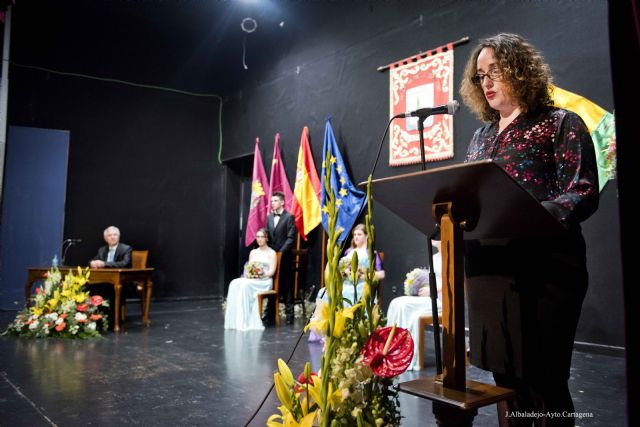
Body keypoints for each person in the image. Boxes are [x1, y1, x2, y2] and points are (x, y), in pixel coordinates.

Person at [459, 33, 599, 426]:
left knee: (545, 383)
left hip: (546, 272)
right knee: (505, 381)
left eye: (495, 72)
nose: (485, 82)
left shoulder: (559, 122)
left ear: (520, 71)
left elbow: (582, 191)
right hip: (489, 272)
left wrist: (530, 215)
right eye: (479, 76)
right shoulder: (480, 136)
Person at [224, 228, 278, 331]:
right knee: (234, 283)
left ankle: (246, 321)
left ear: (267, 238)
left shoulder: (272, 253)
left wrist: (260, 275)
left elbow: (271, 272)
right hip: (253, 279)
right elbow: (250, 268)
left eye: (262, 237)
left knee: (245, 286)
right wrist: (251, 274)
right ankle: (234, 322)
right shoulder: (253, 252)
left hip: (265, 281)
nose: (259, 239)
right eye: (258, 237)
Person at [265, 191, 297, 324]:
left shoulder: (289, 217)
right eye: (272, 201)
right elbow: (267, 235)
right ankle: (269, 313)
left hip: (284, 256)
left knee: (286, 284)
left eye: (275, 201)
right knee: (271, 284)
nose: (273, 203)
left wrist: (281, 253)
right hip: (271, 256)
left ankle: (290, 314)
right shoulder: (269, 218)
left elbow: (291, 238)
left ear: (282, 202)